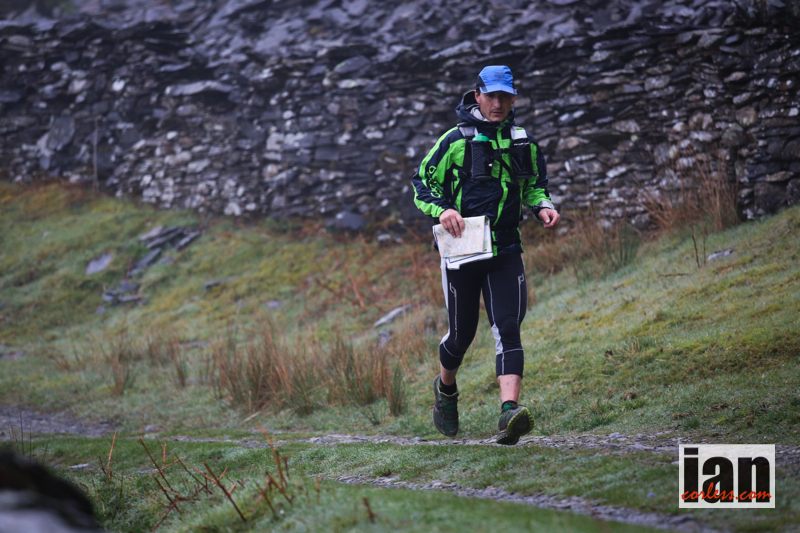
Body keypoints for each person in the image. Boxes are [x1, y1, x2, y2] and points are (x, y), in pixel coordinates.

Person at [411, 65, 560, 445]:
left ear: (513, 98)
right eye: (491, 96)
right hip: (462, 250)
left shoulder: (523, 142)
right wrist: (443, 209)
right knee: (461, 336)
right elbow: (422, 183)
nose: (498, 103)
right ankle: (445, 389)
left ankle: (509, 412)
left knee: (507, 327)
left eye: (504, 96)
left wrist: (543, 205)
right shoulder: (454, 140)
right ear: (477, 95)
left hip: (506, 248)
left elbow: (534, 186)